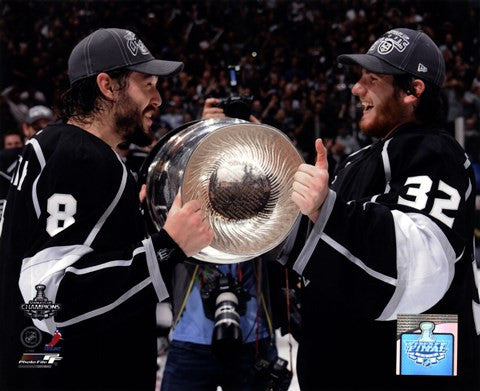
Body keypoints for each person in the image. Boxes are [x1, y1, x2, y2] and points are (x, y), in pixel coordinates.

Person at [0, 27, 213, 391]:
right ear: (108, 86)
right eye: (147, 84)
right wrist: (169, 247)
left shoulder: (53, 143)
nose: (159, 99)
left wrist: (131, 221)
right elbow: (52, 298)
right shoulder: (84, 157)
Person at [289, 28, 479, 390]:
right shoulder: (360, 160)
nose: (356, 89)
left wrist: (326, 211)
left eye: (372, 79)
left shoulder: (436, 152)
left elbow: (419, 261)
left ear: (412, 91)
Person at [159, 98, 281, 391]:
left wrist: (266, 145)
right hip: (191, 337)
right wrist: (199, 139)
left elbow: (290, 207)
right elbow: (164, 201)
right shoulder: (189, 182)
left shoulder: (260, 184)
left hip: (254, 336)